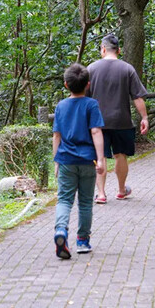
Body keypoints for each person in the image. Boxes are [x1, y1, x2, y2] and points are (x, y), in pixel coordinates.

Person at [87, 34, 149, 204]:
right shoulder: (127, 69)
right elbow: (137, 97)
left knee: (100, 157)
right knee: (120, 155)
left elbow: (83, 97)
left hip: (98, 123)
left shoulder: (91, 69)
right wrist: (144, 117)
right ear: (119, 50)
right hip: (122, 120)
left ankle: (101, 194)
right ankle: (121, 190)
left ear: (103, 49)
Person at [52, 63, 106, 259]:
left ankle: (60, 230)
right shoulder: (91, 105)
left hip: (66, 159)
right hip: (87, 160)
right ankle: (82, 241)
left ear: (66, 84)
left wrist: (56, 161)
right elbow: (96, 131)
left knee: (64, 199)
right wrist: (100, 159)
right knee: (85, 202)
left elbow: (56, 135)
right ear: (88, 84)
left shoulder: (61, 106)